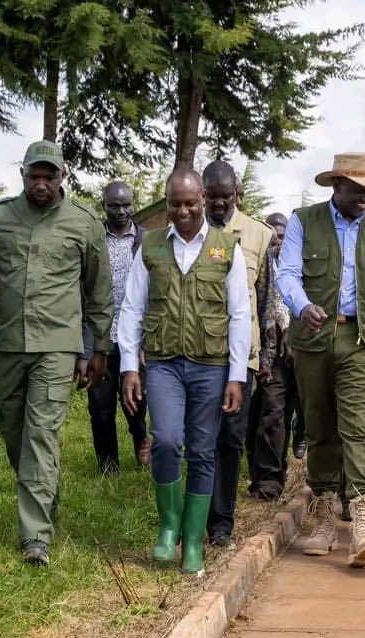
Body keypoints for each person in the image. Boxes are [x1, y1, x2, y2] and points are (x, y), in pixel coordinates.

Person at [0, 140, 113, 566]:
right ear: (23, 175)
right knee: (14, 434)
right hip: (6, 342)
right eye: (34, 176)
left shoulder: (83, 224)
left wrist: (99, 347)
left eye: (50, 176)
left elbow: (99, 290)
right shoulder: (0, 218)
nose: (41, 184)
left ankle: (35, 538)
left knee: (41, 434)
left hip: (57, 346)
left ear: (63, 177)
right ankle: (45, 496)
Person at [276, 153, 365, 568]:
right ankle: (323, 517)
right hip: (315, 338)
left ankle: (363, 524)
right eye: (357, 191)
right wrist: (301, 307)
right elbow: (286, 274)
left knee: (357, 423)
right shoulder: (304, 220)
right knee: (319, 425)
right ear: (336, 187)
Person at [118, 167, 251, 575]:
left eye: (190, 202)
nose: (183, 210)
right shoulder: (152, 246)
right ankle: (169, 527)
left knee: (202, 450)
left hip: (211, 367)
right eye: (175, 204)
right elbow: (132, 307)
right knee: (165, 440)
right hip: (163, 365)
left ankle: (194, 542)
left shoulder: (227, 248)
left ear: (204, 199)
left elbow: (240, 313)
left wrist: (236, 375)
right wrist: (129, 366)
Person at [202, 160, 276, 547]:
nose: (218, 204)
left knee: (230, 437)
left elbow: (265, 299)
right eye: (211, 197)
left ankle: (222, 523)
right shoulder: (187, 231)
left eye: (224, 197)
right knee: (198, 438)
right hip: (196, 353)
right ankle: (195, 515)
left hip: (240, 356)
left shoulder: (258, 235)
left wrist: (266, 357)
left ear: (237, 194)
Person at [87, 181, 149, 474]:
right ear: (105, 206)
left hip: (134, 339)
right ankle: (108, 466)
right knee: (100, 407)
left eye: (126, 205)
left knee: (135, 402)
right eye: (115, 205)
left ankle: (140, 436)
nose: (121, 211)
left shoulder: (146, 241)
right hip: (101, 337)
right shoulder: (94, 239)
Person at [264, 211, 306, 459]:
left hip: (300, 341)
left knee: (304, 401)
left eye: (282, 237)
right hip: (275, 347)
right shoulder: (264, 264)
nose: (278, 242)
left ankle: (301, 432)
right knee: (274, 407)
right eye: (274, 238)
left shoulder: (299, 262)